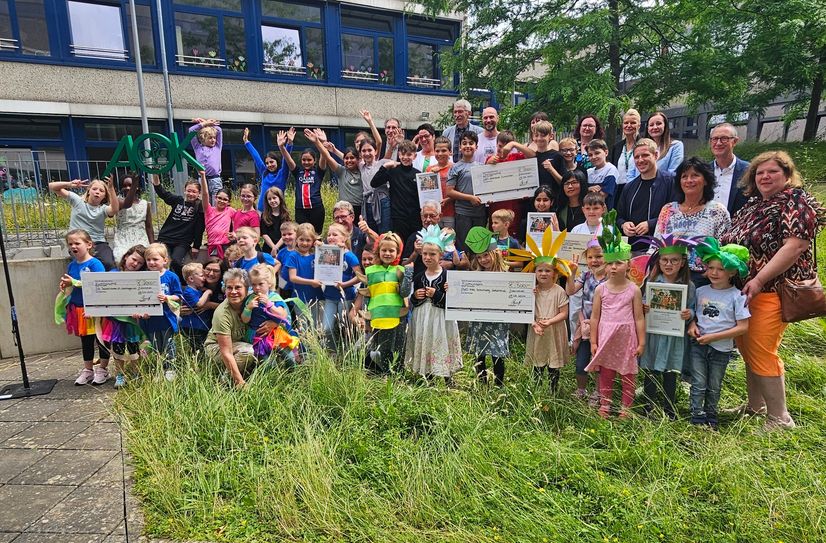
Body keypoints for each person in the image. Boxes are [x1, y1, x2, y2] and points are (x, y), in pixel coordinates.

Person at [720, 151, 826, 431]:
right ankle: (756, 406)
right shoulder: (753, 204)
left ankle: (780, 417)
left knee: (762, 349)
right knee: (746, 347)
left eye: (772, 172)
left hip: (771, 289)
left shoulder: (795, 201)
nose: (765, 177)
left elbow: (795, 246)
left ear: (787, 175)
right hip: (745, 291)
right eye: (759, 173)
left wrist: (758, 279)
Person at [585, 215, 645, 418]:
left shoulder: (633, 290)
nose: (613, 267)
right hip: (606, 336)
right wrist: (593, 341)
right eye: (610, 263)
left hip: (627, 338)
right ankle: (605, 405)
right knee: (606, 373)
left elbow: (639, 318)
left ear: (628, 264)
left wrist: (641, 341)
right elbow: (594, 317)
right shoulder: (601, 290)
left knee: (628, 374)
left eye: (618, 263)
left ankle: (626, 408)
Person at [689, 238, 751, 429]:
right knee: (698, 382)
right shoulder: (700, 291)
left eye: (721, 269)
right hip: (698, 344)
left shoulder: (737, 296)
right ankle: (697, 414)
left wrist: (714, 337)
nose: (714, 273)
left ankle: (711, 413)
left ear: (732, 272)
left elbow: (743, 327)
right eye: (711, 267)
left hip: (721, 348)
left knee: (714, 384)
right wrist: (691, 324)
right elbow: (692, 314)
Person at [639, 238, 696, 419]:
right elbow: (641, 302)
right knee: (650, 368)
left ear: (682, 263)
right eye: (664, 260)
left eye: (674, 260)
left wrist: (690, 314)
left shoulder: (688, 286)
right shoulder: (652, 282)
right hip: (654, 333)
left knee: (670, 371)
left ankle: (669, 408)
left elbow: (693, 308)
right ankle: (648, 406)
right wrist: (643, 307)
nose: (668, 264)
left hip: (674, 336)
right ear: (659, 261)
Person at [653, 158, 731, 286]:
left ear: (706, 180)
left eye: (695, 175)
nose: (689, 180)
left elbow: (725, 248)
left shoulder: (718, 211)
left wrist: (712, 271)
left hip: (703, 278)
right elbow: (657, 244)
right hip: (669, 275)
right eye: (684, 176)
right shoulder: (668, 209)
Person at [510, 227, 571, 393]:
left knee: (553, 364)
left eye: (547, 270)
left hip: (554, 330)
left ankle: (553, 391)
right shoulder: (531, 291)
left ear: (554, 273)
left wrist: (550, 321)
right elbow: (525, 309)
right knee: (537, 363)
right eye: (540, 270)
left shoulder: (559, 290)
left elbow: (564, 313)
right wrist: (534, 323)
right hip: (537, 330)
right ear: (535, 272)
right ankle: (536, 392)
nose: (543, 273)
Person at [402, 225, 463, 383]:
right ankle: (427, 375)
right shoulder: (419, 276)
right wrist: (416, 296)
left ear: (441, 254)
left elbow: (453, 302)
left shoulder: (447, 276)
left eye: (432, 254)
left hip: (441, 318)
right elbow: (413, 302)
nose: (428, 257)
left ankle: (447, 376)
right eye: (425, 254)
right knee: (426, 341)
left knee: (441, 342)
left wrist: (437, 295)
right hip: (423, 316)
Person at [57, 229, 111, 385]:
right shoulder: (72, 265)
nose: (73, 246)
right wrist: (65, 286)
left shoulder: (95, 263)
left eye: (77, 243)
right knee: (86, 340)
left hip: (95, 309)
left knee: (101, 339)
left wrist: (74, 283)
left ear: (88, 245)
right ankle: (88, 370)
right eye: (70, 243)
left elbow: (99, 285)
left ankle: (103, 369)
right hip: (79, 308)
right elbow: (72, 283)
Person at [463, 227, 511, 386]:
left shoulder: (506, 275)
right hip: (479, 321)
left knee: (497, 354)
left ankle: (499, 386)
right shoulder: (474, 276)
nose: (483, 260)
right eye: (479, 257)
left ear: (495, 254)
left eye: (486, 255)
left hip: (498, 321)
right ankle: (482, 384)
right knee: (480, 354)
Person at [98, 245, 147, 389]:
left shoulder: (141, 279)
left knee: (134, 348)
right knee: (117, 349)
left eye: (140, 263)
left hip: (132, 321)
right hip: (115, 321)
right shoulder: (113, 273)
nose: (135, 264)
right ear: (126, 256)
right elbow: (102, 293)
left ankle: (136, 373)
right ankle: (120, 375)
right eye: (134, 259)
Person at [133, 243, 182, 382]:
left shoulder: (171, 277)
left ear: (165, 260)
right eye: (148, 260)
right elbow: (138, 297)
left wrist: (167, 298)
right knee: (152, 344)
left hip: (166, 318)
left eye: (155, 259)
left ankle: (170, 368)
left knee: (168, 343)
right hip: (148, 319)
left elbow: (179, 296)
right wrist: (139, 312)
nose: (151, 262)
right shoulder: (143, 277)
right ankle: (157, 368)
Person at [615, 139, 674, 253]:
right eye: (637, 157)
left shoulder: (671, 182)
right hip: (632, 250)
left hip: (661, 250)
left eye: (645, 155)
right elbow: (619, 216)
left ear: (656, 155)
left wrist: (650, 224)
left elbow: (676, 214)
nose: (640, 160)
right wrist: (624, 225)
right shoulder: (629, 187)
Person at [49, 176, 119, 270]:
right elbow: (52, 186)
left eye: (101, 191)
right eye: (94, 189)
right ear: (89, 191)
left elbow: (114, 209)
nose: (97, 192)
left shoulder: (103, 210)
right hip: (78, 242)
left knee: (109, 264)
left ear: (104, 196)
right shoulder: (77, 201)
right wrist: (70, 184)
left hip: (99, 243)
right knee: (86, 266)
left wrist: (111, 189)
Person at [566, 240, 606, 402]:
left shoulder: (610, 278)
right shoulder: (585, 275)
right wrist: (571, 273)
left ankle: (598, 392)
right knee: (581, 361)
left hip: (603, 326)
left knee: (599, 363)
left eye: (599, 256)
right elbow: (570, 290)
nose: (594, 260)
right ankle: (581, 389)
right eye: (590, 257)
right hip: (585, 327)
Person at [363, 232, 407, 375]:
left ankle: (397, 376)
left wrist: (409, 274)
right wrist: (366, 319)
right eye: (384, 250)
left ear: (397, 252)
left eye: (391, 250)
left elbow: (405, 293)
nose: (387, 253)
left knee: (398, 348)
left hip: (397, 316)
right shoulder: (370, 271)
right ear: (378, 251)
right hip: (378, 316)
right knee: (383, 348)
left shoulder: (400, 271)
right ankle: (386, 374)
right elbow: (367, 295)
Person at [205, 268, 257, 387]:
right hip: (216, 346)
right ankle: (225, 383)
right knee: (248, 351)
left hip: (239, 342)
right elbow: (226, 352)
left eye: (238, 287)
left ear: (247, 289)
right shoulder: (222, 313)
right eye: (229, 287)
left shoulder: (253, 300)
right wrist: (240, 383)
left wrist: (272, 323)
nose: (233, 292)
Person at [241, 263, 298, 365]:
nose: (257, 288)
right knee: (268, 363)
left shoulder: (274, 297)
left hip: (277, 334)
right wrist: (248, 309)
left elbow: (283, 316)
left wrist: (269, 305)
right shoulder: (250, 299)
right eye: (254, 284)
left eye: (261, 284)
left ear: (269, 283)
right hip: (258, 336)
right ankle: (270, 378)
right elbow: (245, 320)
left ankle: (293, 375)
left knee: (289, 358)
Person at [151, 174, 205, 280]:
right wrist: (155, 174)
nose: (191, 194)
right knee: (160, 260)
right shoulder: (178, 200)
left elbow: (200, 228)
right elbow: (162, 193)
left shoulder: (199, 207)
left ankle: (184, 281)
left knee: (175, 261)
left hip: (182, 242)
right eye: (189, 191)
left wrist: (196, 246)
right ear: (184, 191)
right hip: (165, 239)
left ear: (199, 193)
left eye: (194, 192)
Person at [371, 140, 423, 244]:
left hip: (415, 217)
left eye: (409, 154)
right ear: (399, 154)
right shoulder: (393, 171)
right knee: (399, 244)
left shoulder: (418, 174)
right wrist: (385, 167)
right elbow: (374, 183)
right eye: (403, 154)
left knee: (414, 244)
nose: (405, 157)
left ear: (415, 156)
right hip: (398, 217)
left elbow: (423, 197)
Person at [486, 131, 536, 237]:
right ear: (496, 144)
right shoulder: (491, 160)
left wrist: (514, 144)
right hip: (495, 206)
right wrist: (487, 164)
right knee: (495, 236)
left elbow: (533, 155)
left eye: (506, 146)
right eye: (500, 146)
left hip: (513, 206)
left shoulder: (517, 157)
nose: (503, 149)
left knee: (512, 235)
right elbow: (484, 181)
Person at [320, 223, 362, 350]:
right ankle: (332, 351)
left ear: (344, 238)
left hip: (346, 297)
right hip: (329, 296)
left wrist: (344, 285)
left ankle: (346, 352)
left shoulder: (349, 256)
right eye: (329, 235)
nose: (331, 237)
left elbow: (359, 276)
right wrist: (318, 246)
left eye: (335, 234)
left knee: (345, 327)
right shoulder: (326, 252)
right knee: (326, 328)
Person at [446, 132, 486, 250]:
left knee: (479, 247)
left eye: (471, 143)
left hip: (480, 212)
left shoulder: (482, 166)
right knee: (463, 246)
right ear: (460, 147)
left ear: (476, 147)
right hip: (463, 213)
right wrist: (470, 198)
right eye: (464, 143)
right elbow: (450, 191)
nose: (468, 146)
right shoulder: (455, 167)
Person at [281, 137, 325, 234]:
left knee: (316, 235)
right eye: (304, 160)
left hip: (316, 209)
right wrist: (282, 147)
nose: (306, 162)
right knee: (302, 234)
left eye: (309, 160)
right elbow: (288, 159)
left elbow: (324, 155)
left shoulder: (318, 171)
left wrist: (321, 142)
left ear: (314, 161)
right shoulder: (298, 172)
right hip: (300, 209)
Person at [242, 127, 293, 210]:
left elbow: (286, 159)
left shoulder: (282, 173)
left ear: (277, 161)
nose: (269, 165)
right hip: (262, 210)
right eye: (267, 163)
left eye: (271, 162)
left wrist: (289, 143)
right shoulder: (264, 172)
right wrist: (247, 142)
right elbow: (256, 157)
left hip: (278, 210)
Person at [284, 223, 324, 325]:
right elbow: (293, 277)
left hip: (315, 296)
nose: (304, 243)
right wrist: (311, 282)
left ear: (313, 241)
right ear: (296, 239)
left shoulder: (316, 254)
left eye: (308, 240)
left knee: (316, 325)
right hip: (300, 298)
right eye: (301, 239)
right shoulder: (293, 256)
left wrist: (322, 247)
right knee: (303, 326)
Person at [708, 123, 749, 216]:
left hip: (737, 227)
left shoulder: (748, 171)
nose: (718, 143)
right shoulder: (703, 171)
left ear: (734, 141)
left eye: (724, 138)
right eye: (715, 139)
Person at [112, 172, 152, 262]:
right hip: (123, 238)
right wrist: (134, 184)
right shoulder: (118, 201)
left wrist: (152, 245)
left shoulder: (145, 204)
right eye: (124, 185)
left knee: (142, 259)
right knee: (121, 258)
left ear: (137, 187)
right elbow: (127, 204)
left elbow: (149, 226)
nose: (127, 188)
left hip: (141, 237)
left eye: (130, 185)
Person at [199, 171, 235, 259]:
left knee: (227, 269)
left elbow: (241, 221)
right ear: (215, 198)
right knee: (216, 269)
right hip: (213, 246)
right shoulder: (208, 210)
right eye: (219, 198)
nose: (221, 201)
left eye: (225, 199)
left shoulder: (231, 211)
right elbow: (205, 194)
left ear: (229, 202)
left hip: (227, 245)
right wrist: (203, 176)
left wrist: (235, 233)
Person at [359, 138, 391, 234]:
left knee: (384, 231)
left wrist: (390, 165)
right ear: (360, 153)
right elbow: (345, 157)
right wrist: (333, 150)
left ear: (376, 151)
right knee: (371, 232)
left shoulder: (382, 163)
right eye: (364, 151)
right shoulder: (361, 166)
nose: (367, 153)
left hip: (382, 202)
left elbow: (400, 163)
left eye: (370, 150)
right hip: (368, 203)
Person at [179, 262, 212, 351]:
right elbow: (199, 304)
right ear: (191, 278)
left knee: (201, 346)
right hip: (192, 326)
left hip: (199, 325)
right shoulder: (188, 291)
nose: (204, 278)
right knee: (198, 348)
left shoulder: (196, 290)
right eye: (201, 276)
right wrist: (207, 292)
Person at [188, 118, 223, 203]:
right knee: (204, 203)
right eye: (210, 138)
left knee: (216, 202)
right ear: (203, 139)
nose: (213, 140)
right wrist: (204, 123)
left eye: (214, 138)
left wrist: (206, 122)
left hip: (215, 179)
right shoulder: (198, 147)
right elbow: (191, 130)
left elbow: (219, 130)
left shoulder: (217, 147)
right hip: (202, 179)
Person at [609, 108, 641, 198]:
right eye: (626, 123)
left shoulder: (643, 145)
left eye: (633, 123)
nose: (629, 125)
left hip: (637, 189)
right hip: (618, 190)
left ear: (639, 125)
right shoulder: (617, 147)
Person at [442, 98, 483, 163]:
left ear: (469, 113)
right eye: (455, 112)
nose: (457, 115)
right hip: (453, 170)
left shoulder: (479, 132)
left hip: (472, 170)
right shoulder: (447, 133)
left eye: (460, 111)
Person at [428, 136, 455, 229]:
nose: (440, 154)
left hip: (450, 213)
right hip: (433, 214)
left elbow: (459, 189)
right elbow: (425, 191)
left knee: (449, 240)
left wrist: (448, 199)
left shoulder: (455, 168)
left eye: (443, 151)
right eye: (437, 151)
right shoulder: (429, 169)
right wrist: (430, 175)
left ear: (450, 152)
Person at [585, 139, 619, 210]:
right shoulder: (588, 172)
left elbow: (602, 195)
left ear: (606, 152)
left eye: (597, 153)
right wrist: (588, 189)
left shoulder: (611, 170)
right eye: (590, 155)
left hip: (605, 213)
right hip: (588, 211)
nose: (593, 157)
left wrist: (587, 191)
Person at [259, 187, 290, 256]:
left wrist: (276, 247)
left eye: (274, 198)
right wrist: (273, 247)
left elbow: (286, 233)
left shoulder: (285, 214)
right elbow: (264, 234)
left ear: (280, 198)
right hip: (268, 247)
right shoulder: (264, 215)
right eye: (269, 199)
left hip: (283, 246)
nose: (272, 201)